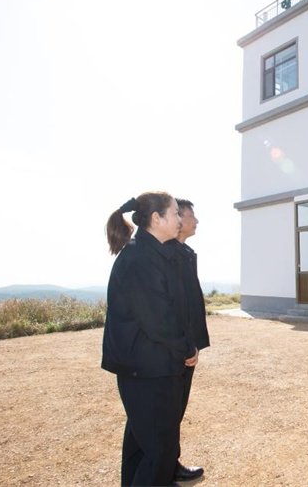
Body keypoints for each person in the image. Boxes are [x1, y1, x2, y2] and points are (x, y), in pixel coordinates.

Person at [102, 192, 198, 487]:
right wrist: (186, 347)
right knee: (159, 451)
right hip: (147, 368)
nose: (180, 219)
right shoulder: (141, 257)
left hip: (148, 366)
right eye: (174, 214)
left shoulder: (149, 252)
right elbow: (157, 319)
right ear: (156, 219)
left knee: (141, 445)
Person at [166, 199, 210, 483]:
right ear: (178, 219)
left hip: (186, 344)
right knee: (167, 411)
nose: (197, 221)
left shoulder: (185, 252)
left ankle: (171, 462)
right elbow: (169, 308)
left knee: (176, 409)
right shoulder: (167, 255)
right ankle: (166, 466)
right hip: (175, 348)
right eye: (192, 215)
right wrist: (184, 344)